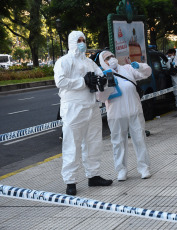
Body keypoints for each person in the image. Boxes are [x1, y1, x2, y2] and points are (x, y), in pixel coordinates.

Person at [54, 31, 113, 196]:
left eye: (84, 40)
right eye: (79, 40)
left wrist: (102, 81)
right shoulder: (63, 61)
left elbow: (101, 75)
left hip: (91, 106)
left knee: (94, 143)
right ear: (72, 42)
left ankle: (93, 175)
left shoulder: (89, 62)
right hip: (73, 108)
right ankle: (70, 181)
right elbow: (60, 81)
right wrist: (83, 82)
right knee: (72, 145)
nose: (82, 43)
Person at [97, 51, 152, 181]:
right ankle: (121, 170)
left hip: (134, 111)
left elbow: (147, 73)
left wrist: (139, 66)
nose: (111, 59)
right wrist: (105, 84)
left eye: (111, 56)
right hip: (116, 115)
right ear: (102, 62)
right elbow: (100, 97)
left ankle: (144, 168)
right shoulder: (101, 75)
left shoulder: (127, 69)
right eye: (107, 58)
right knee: (118, 143)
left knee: (140, 139)